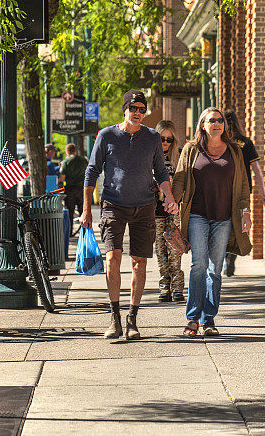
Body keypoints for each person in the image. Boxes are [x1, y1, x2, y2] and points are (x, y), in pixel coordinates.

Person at [82, 89, 178, 341]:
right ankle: (115, 318)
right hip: (114, 204)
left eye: (141, 109)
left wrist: (168, 196)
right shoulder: (107, 135)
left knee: (139, 262)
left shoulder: (153, 138)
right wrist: (85, 210)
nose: (137, 113)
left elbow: (161, 173)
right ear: (125, 109)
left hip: (144, 206)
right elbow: (91, 172)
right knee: (112, 257)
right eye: (133, 108)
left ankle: (132, 319)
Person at [172, 107, 251, 337]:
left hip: (224, 218)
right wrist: (169, 203)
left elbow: (244, 186)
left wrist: (245, 212)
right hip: (197, 215)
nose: (217, 123)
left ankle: (209, 319)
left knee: (215, 269)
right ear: (202, 125)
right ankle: (193, 318)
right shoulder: (191, 150)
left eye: (220, 120)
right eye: (211, 120)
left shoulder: (235, 151)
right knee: (199, 266)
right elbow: (179, 180)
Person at [222, 109, 265, 277]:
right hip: (244, 190)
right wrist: (263, 192)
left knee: (223, 222)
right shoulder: (246, 143)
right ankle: (231, 257)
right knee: (241, 223)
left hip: (224, 189)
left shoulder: (221, 143)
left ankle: (225, 254)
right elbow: (257, 169)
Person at [153, 120, 184, 303]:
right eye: (162, 139)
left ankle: (178, 287)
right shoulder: (148, 156)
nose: (165, 143)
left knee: (175, 250)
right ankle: (164, 287)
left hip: (174, 211)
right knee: (160, 251)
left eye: (169, 139)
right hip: (155, 210)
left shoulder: (178, 157)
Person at [59, 143, 88, 237]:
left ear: (67, 151)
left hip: (70, 189)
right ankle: (85, 232)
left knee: (70, 212)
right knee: (83, 211)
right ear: (75, 150)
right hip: (82, 189)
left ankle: (69, 232)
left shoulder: (66, 161)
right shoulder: (84, 160)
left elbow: (62, 177)